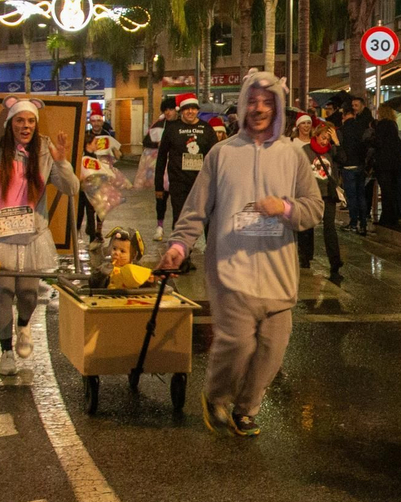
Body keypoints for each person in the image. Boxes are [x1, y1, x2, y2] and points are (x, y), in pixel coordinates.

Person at [157, 70, 324, 437]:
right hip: (231, 267)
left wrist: (283, 207)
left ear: (278, 106)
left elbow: (314, 209)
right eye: (253, 101)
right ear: (244, 105)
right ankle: (216, 396)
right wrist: (179, 245)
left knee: (272, 350)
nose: (259, 108)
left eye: (267, 102)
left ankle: (246, 409)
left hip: (279, 272)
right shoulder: (221, 153)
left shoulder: (293, 156)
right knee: (237, 343)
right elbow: (196, 208)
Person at [0, 98, 76, 377]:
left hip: (32, 237)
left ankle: (23, 325)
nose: (26, 126)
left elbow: (71, 188)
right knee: (5, 291)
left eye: (31, 121)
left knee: (29, 293)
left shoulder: (45, 152)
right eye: (20, 120)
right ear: (10, 124)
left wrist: (63, 162)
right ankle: (6, 351)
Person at [154, 96, 219, 257]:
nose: (190, 111)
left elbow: (216, 157)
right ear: (181, 111)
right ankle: (181, 257)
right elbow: (161, 158)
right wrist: (158, 186)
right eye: (187, 108)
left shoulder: (207, 129)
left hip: (203, 183)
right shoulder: (172, 129)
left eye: (194, 108)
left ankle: (211, 254)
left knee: (208, 220)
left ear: (198, 110)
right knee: (181, 220)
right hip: (179, 184)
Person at [293, 114, 344, 283]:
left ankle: (335, 263)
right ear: (317, 135)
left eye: (328, 138)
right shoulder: (306, 150)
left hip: (328, 193)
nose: (325, 141)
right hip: (310, 193)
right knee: (307, 227)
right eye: (323, 137)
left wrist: (336, 142)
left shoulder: (332, 149)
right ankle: (305, 258)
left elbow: (343, 159)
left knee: (330, 228)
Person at [138, 98, 177, 240]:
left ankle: (176, 229)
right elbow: (146, 141)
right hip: (161, 169)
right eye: (165, 110)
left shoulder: (181, 125)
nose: (168, 112)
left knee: (178, 202)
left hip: (177, 170)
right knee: (160, 199)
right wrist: (158, 144)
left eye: (170, 109)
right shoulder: (159, 124)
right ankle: (159, 227)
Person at [77, 112, 119, 242]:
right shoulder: (85, 135)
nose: (96, 123)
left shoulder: (107, 135)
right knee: (86, 208)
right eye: (93, 121)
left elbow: (117, 153)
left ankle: (98, 231)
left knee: (101, 206)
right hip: (88, 177)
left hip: (102, 176)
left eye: (98, 120)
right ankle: (82, 231)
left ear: (102, 121)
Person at [337, 96, 374, 235]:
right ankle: (363, 224)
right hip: (360, 166)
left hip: (348, 167)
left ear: (345, 115)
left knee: (351, 197)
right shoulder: (362, 127)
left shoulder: (342, 130)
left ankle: (353, 223)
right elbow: (367, 145)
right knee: (361, 196)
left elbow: (339, 148)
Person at [370, 103, 401, 227]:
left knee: (386, 192)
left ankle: (387, 219)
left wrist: (370, 139)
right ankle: (392, 217)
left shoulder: (382, 125)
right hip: (394, 164)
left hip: (384, 164)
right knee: (391, 191)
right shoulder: (393, 125)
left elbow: (378, 142)